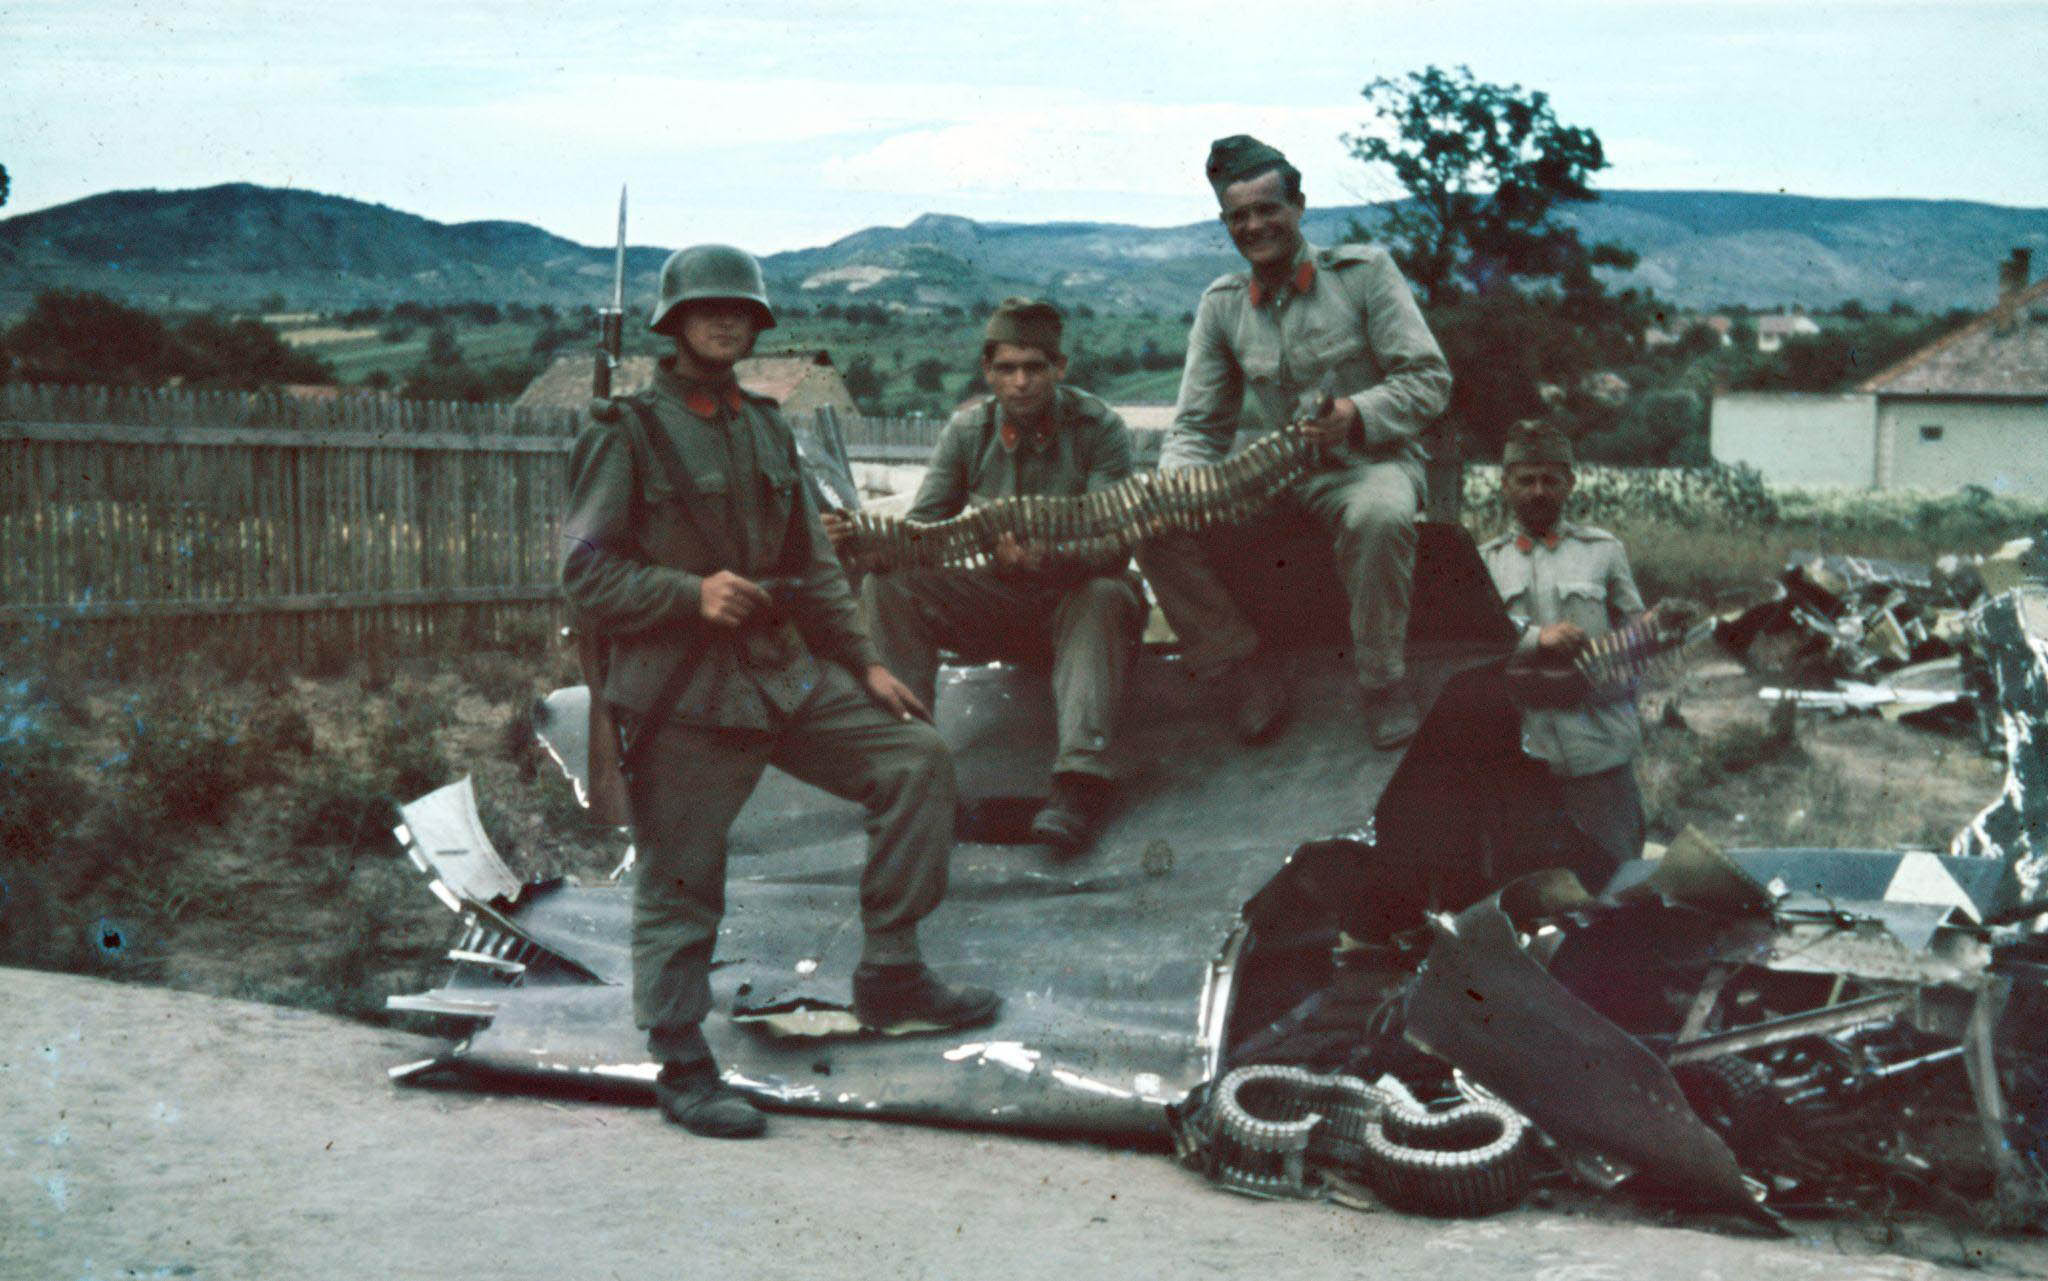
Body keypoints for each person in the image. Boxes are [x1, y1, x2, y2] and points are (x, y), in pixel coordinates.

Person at [561, 244, 999, 1140]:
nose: (727, 321)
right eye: (708, 308)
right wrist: (689, 595)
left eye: (742, 311)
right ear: (674, 323)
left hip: (782, 672)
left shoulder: (764, 425)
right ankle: (681, 1059)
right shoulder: (627, 431)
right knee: (684, 877)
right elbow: (583, 574)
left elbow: (816, 563)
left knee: (914, 756)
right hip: (682, 689)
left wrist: (868, 661)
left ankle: (891, 971)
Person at [1136, 135, 1453, 749]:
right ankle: (1239, 666)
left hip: (1370, 463)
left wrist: (1356, 413)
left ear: (1299, 206)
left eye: (1267, 209)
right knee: (1154, 522)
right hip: (1281, 476)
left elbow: (1428, 380)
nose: (1254, 225)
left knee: (1381, 516)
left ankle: (1382, 682)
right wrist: (1178, 483)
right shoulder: (1224, 306)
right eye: (1239, 216)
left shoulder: (1363, 276)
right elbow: (1199, 427)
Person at [829, 300, 1143, 853]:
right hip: (998, 604)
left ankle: (1079, 781)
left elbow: (1115, 540)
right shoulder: (968, 431)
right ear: (987, 372)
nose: (1020, 383)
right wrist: (870, 545)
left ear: (1060, 368)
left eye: (1034, 367)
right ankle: (903, 766)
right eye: (1006, 368)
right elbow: (924, 528)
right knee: (889, 585)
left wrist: (1052, 558)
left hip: (1075, 607)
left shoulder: (1099, 428)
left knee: (1102, 593)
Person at [1480, 420, 1670, 875]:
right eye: (1526, 480)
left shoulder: (1603, 551)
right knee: (1528, 887)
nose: (1538, 491)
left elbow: (1638, 637)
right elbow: (1478, 648)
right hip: (1525, 759)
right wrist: (1533, 640)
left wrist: (1657, 626)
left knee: (1614, 879)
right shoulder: (1486, 562)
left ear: (1571, 482)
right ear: (1505, 485)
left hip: (1598, 749)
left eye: (1551, 479)